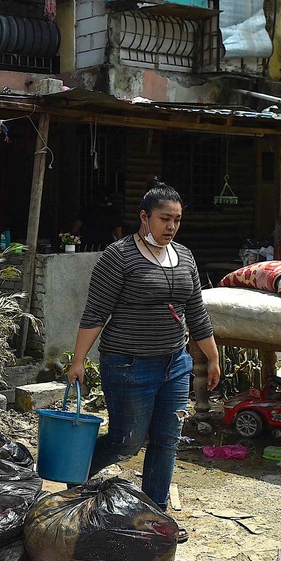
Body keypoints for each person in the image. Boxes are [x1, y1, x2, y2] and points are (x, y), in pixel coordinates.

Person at [67, 178, 221, 512]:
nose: (171, 226)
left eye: (177, 219)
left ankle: (154, 514)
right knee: (127, 442)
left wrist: (212, 357)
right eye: (164, 218)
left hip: (175, 365)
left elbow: (196, 311)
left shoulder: (185, 257)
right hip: (128, 365)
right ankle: (74, 478)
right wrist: (78, 361)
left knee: (167, 441)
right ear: (144, 217)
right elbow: (96, 312)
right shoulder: (118, 257)